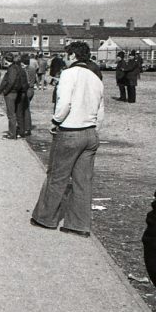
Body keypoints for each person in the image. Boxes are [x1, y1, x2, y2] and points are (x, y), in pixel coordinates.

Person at [31, 41, 105, 237]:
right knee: (83, 181)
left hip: (70, 130)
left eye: (66, 56)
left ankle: (45, 218)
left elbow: (64, 103)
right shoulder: (95, 78)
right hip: (90, 132)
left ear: (72, 56)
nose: (64, 59)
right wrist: (94, 127)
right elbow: (101, 109)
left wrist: (56, 120)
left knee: (57, 176)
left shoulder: (68, 74)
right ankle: (78, 225)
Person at [0, 53, 28, 139]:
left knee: (11, 114)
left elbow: (11, 81)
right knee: (18, 113)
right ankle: (21, 132)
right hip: (19, 92)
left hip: (11, 93)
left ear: (6, 60)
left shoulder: (12, 69)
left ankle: (12, 134)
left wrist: (5, 91)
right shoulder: (18, 68)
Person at [21, 53, 38, 136]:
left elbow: (26, 81)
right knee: (26, 108)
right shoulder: (33, 68)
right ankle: (26, 126)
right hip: (31, 90)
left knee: (25, 109)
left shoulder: (26, 70)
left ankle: (26, 128)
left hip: (27, 90)